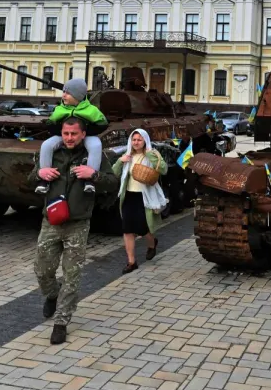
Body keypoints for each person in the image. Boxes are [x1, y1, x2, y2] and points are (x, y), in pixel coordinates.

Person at [33, 116, 116, 345]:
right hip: (51, 222)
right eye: (66, 133)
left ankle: (61, 322)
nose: (69, 138)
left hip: (78, 225)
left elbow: (113, 182)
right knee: (42, 270)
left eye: (74, 134)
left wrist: (94, 175)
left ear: (83, 134)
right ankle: (52, 294)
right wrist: (39, 174)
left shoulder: (93, 156)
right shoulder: (52, 153)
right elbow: (33, 176)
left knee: (72, 275)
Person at [111, 128, 169, 273]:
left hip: (144, 196)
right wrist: (120, 161)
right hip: (128, 196)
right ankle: (132, 262)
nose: (136, 142)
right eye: (134, 139)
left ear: (145, 141)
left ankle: (152, 243)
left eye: (139, 140)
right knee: (127, 229)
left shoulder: (152, 154)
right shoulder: (128, 155)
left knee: (143, 227)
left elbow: (164, 169)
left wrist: (151, 156)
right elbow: (114, 173)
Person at [37, 78, 107, 184]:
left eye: (68, 93)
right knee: (46, 145)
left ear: (78, 96)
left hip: (87, 135)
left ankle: (90, 178)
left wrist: (85, 132)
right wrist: (60, 130)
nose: (64, 95)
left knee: (96, 146)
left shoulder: (91, 110)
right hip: (63, 135)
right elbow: (50, 123)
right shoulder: (60, 109)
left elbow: (102, 124)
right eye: (64, 92)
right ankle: (45, 177)